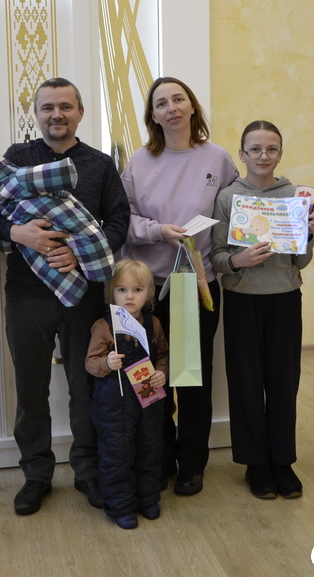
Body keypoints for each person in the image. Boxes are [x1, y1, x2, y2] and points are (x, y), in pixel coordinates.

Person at [0, 77, 130, 515]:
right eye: (47, 107)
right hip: (25, 297)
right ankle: (36, 475)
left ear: (80, 112)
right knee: (30, 389)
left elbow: (119, 222)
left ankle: (87, 470)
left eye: (65, 106)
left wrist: (80, 254)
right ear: (37, 114)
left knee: (86, 386)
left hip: (85, 297)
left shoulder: (100, 165)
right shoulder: (16, 158)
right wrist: (17, 232)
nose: (56, 115)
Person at [121, 76, 239, 495]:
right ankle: (159, 458)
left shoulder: (218, 158)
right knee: (152, 378)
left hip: (196, 285)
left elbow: (239, 210)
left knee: (191, 381)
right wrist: (158, 231)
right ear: (152, 115)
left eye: (178, 99)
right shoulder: (138, 162)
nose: (171, 108)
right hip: (147, 292)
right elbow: (123, 220)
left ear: (192, 107)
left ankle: (192, 464)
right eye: (161, 103)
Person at [211, 120, 314, 499]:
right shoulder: (228, 197)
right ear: (242, 154)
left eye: (271, 149)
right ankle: (255, 463)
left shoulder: (294, 197)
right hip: (242, 299)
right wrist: (237, 261)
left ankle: (282, 461)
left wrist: (309, 234)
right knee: (245, 381)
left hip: (285, 298)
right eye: (255, 149)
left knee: (283, 382)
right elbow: (217, 255)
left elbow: (300, 261)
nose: (263, 156)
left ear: (280, 153)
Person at [85, 259, 169, 529]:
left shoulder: (154, 324)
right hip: (114, 403)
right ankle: (120, 506)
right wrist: (107, 363)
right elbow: (90, 363)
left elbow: (164, 355)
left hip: (148, 399)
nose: (129, 296)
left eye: (137, 290)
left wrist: (162, 372)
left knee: (149, 447)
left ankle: (148, 499)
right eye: (122, 290)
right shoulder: (104, 326)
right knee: (117, 453)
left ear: (149, 293)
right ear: (112, 292)